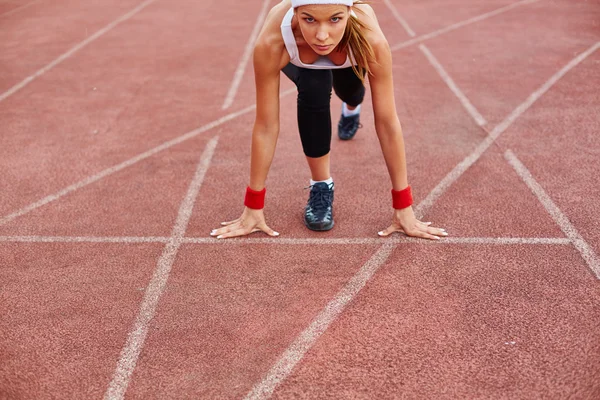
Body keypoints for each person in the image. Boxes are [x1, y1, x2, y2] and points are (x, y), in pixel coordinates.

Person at [210, 0, 447, 240]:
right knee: (314, 87)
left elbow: (387, 123)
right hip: (302, 61)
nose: (322, 36)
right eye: (309, 19)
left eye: (335, 19)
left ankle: (352, 106)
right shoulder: (274, 41)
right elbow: (266, 126)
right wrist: (253, 206)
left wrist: (403, 207)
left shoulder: (371, 41)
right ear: (295, 12)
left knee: (352, 92)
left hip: (349, 54)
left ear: (348, 12)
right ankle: (321, 184)